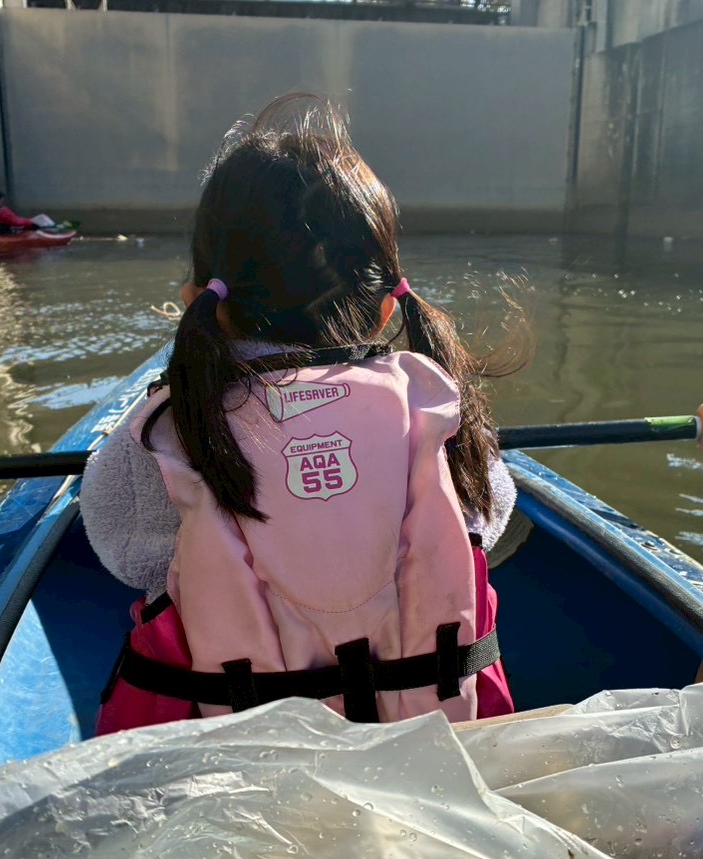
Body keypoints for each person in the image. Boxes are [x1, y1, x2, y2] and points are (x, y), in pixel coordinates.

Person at [80, 94, 527, 734]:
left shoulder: (168, 428)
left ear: (200, 300)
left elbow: (122, 547)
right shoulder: (434, 406)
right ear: (387, 307)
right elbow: (491, 513)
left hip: (229, 749)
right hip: (430, 740)